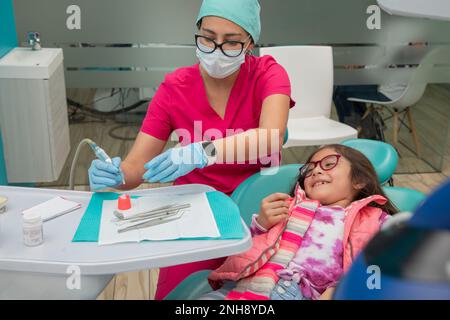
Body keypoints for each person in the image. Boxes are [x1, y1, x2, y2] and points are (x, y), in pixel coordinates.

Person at [88, 0, 295, 299]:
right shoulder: (175, 87)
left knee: (260, 293)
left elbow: (270, 138)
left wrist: (202, 152)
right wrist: (115, 175)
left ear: (250, 42)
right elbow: (136, 167)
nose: (217, 49)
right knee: (181, 295)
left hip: (257, 213)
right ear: (197, 32)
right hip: (192, 213)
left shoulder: (268, 74)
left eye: (232, 42)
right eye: (208, 38)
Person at [203, 144, 398, 300]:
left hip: (298, 293)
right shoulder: (289, 207)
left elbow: (388, 265)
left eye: (329, 164)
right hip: (246, 286)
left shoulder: (373, 219)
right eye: (309, 169)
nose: (315, 171)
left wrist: (342, 289)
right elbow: (250, 254)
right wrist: (262, 225)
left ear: (359, 181)